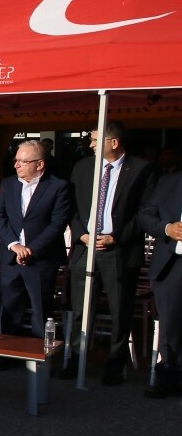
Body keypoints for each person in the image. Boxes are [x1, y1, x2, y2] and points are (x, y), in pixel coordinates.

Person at [65, 123, 156, 385]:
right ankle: (77, 359)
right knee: (82, 309)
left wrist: (116, 237)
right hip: (86, 247)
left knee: (120, 310)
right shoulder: (83, 168)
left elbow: (145, 212)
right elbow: (71, 206)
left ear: (113, 142)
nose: (91, 145)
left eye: (96, 140)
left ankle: (115, 364)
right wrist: (81, 233)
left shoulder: (141, 169)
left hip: (119, 250)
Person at [0, 139, 72, 337]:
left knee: (41, 310)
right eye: (16, 160)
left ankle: (40, 352)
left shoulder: (58, 186)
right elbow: (0, 217)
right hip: (11, 258)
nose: (16, 165)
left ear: (40, 164)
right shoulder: (8, 184)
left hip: (41, 259)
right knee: (9, 309)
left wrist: (31, 249)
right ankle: (8, 350)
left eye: (23, 161)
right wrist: (14, 245)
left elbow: (57, 223)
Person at [138, 171, 182, 398]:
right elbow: (145, 215)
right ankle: (169, 378)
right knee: (170, 324)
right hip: (172, 263)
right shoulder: (168, 182)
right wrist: (167, 228)